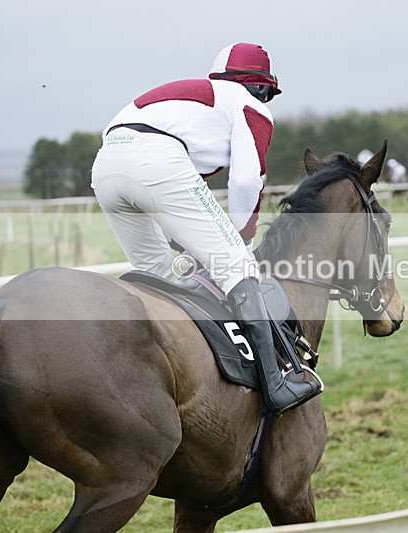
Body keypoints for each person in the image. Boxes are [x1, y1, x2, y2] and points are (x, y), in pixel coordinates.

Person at [91, 42, 321, 414]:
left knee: (157, 277)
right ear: (260, 87)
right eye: (266, 94)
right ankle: (276, 384)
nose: (265, 101)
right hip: (157, 160)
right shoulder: (250, 105)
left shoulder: (195, 101)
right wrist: (242, 239)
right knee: (238, 266)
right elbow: (246, 180)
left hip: (105, 166)